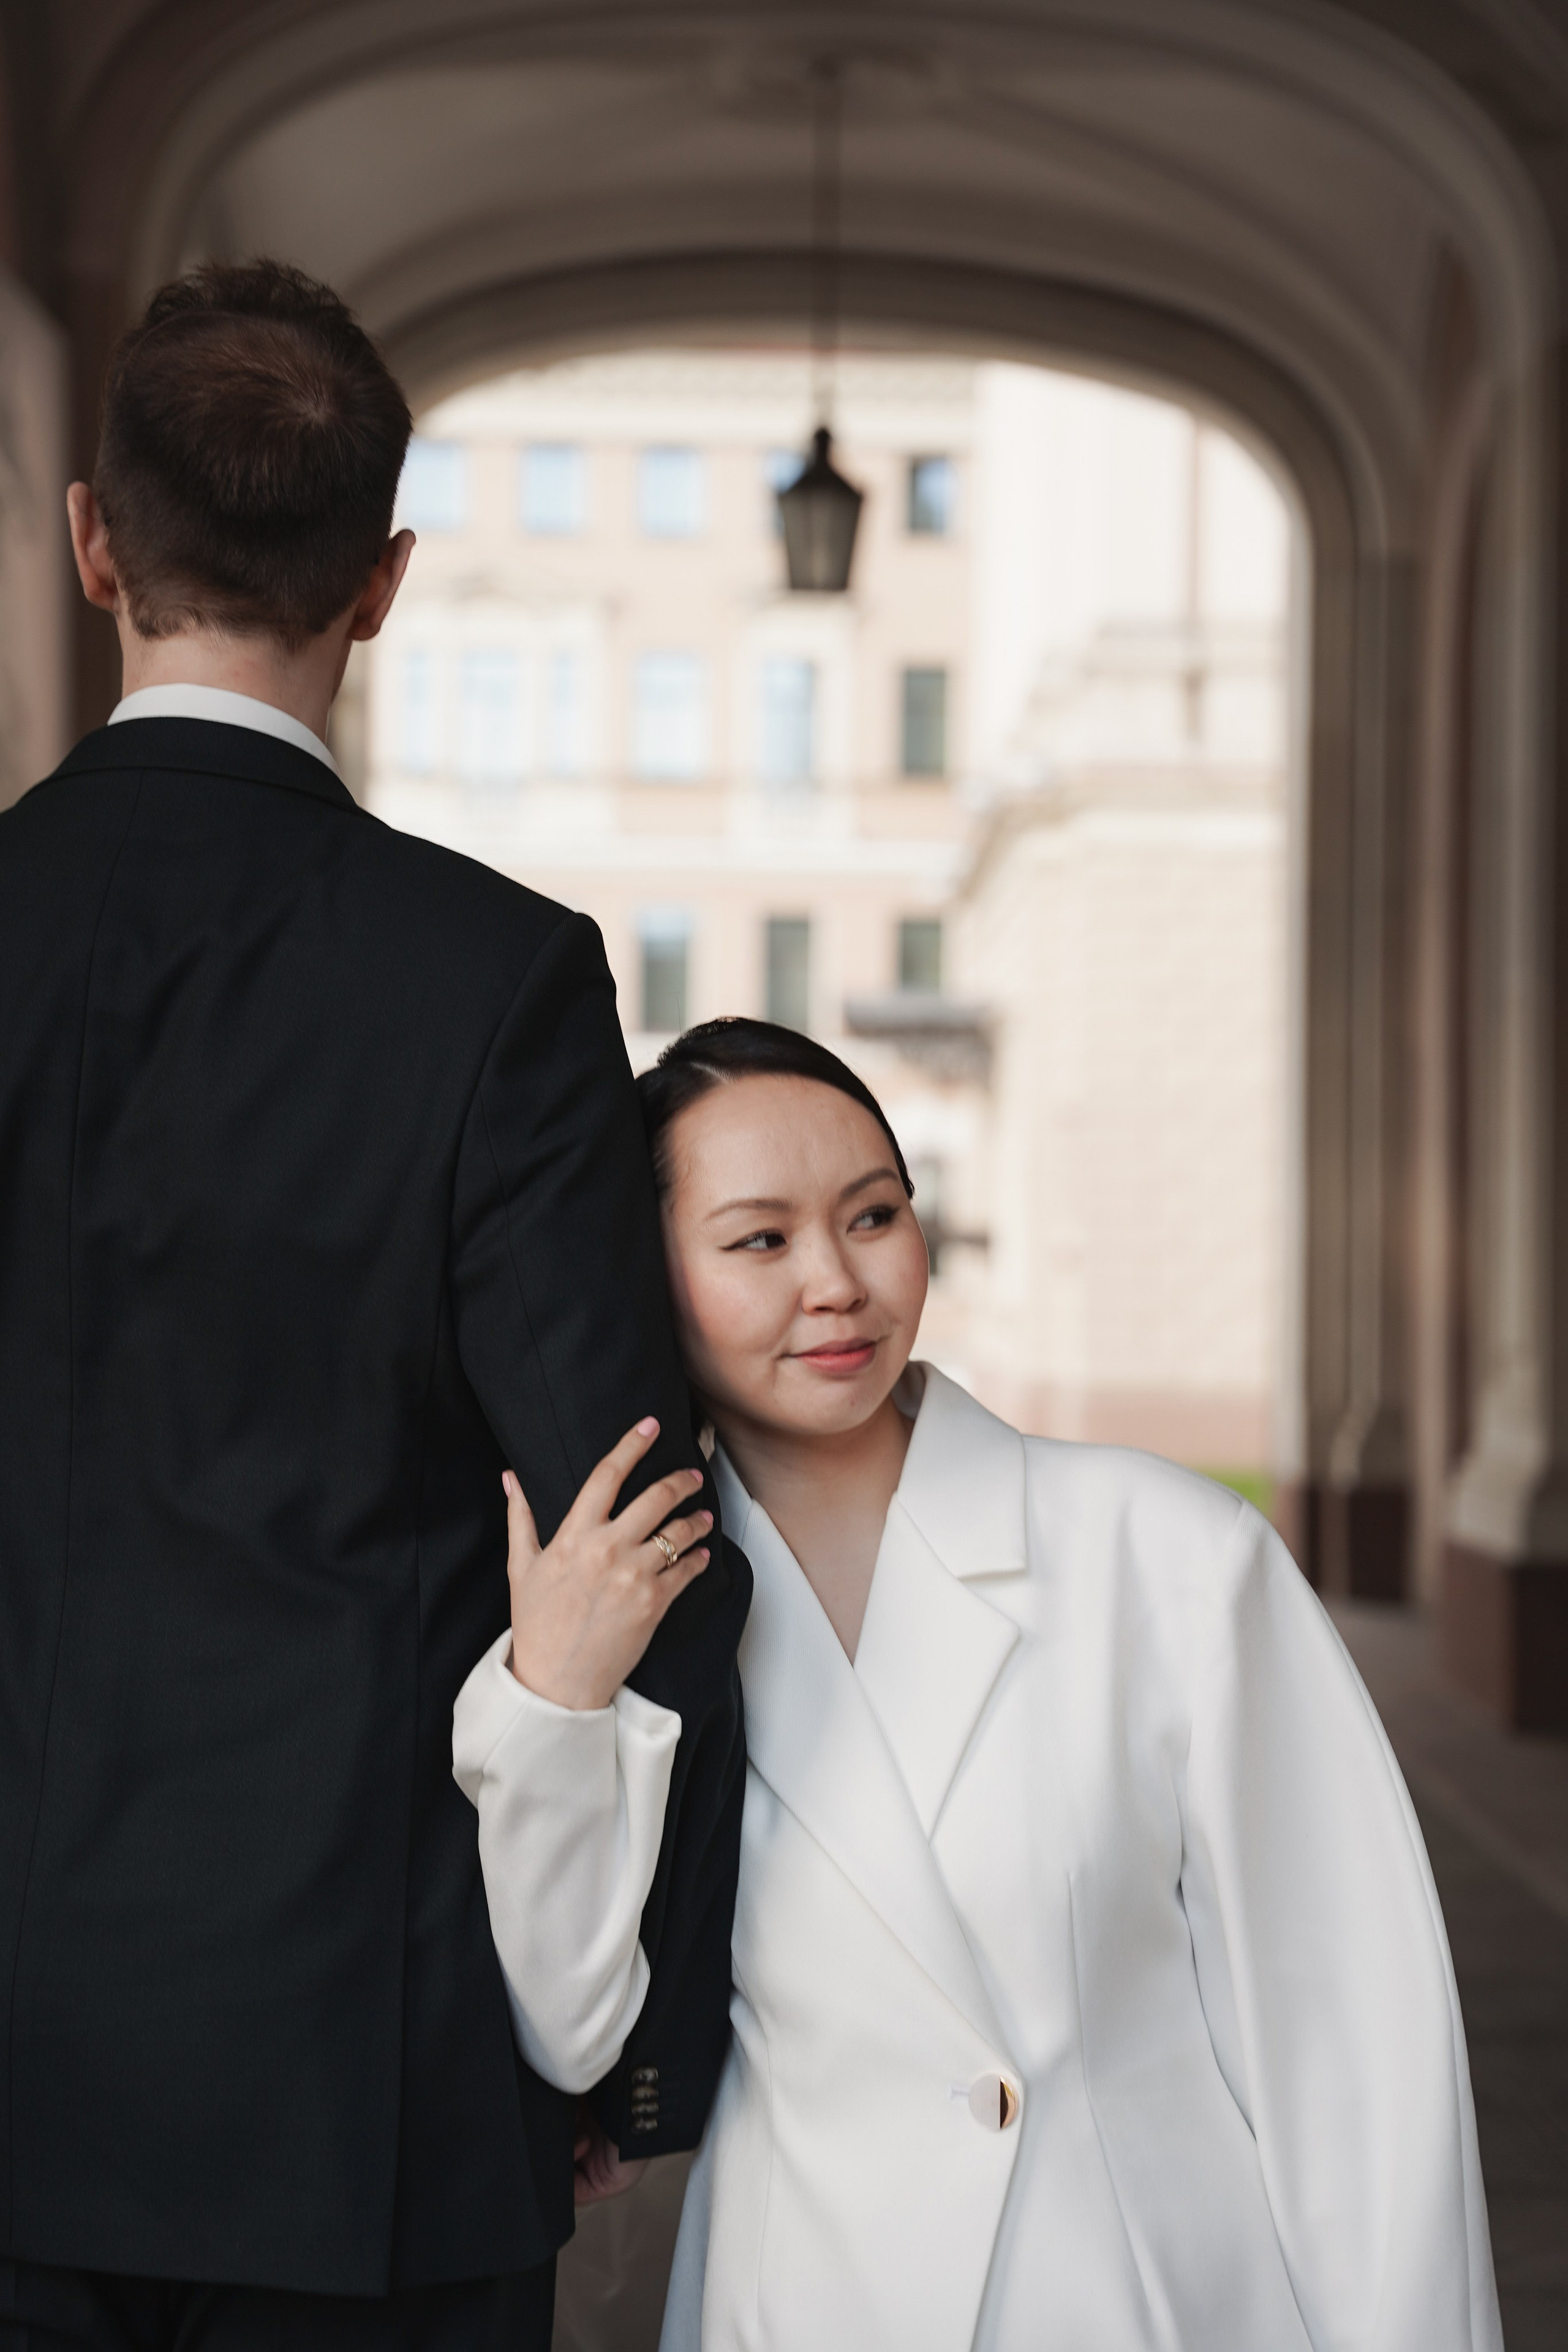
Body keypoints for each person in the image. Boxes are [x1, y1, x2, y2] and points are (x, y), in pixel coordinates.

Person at [0, 261, 747, 2351]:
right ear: (384, 580)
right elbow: (633, 1518)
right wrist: (622, 2036)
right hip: (369, 2075)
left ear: (91, 544)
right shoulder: (492, 980)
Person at [480, 1016, 1502, 2351]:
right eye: (758, 1240)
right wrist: (553, 1697)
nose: (837, 1282)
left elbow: (1356, 2057)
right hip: (802, 2308)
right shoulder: (619, 1618)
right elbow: (567, 2036)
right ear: (647, 1275)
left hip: (1146, 2297)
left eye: (872, 1215)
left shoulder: (1166, 1556)